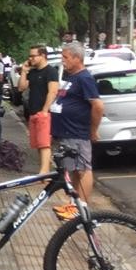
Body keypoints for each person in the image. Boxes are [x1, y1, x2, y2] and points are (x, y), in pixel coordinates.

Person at [50, 42, 102, 220]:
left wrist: (93, 130)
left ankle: (83, 208)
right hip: (66, 133)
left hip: (77, 133)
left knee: (83, 170)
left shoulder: (84, 78)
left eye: (65, 57)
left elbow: (97, 105)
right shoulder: (72, 77)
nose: (62, 61)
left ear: (77, 58)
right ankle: (74, 206)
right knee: (73, 169)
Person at [18, 45, 59, 174]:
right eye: (29, 56)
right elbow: (21, 88)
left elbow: (52, 92)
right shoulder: (33, 72)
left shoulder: (50, 71)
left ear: (43, 55)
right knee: (37, 144)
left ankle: (44, 172)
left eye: (33, 56)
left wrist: (45, 110)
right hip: (33, 112)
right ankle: (43, 169)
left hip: (44, 113)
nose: (31, 58)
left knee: (45, 144)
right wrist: (24, 71)